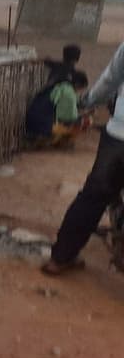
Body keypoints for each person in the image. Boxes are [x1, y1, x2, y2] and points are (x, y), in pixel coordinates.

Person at [42, 41, 124, 275]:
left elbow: (109, 80)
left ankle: (61, 258)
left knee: (93, 196)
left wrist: (87, 101)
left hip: (118, 136)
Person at [24, 70, 90, 149]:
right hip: (42, 125)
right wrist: (81, 118)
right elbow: (67, 117)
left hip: (32, 122)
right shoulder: (68, 92)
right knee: (85, 122)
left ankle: (44, 140)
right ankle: (54, 141)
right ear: (77, 85)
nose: (80, 92)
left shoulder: (60, 86)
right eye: (81, 89)